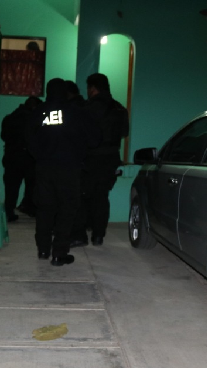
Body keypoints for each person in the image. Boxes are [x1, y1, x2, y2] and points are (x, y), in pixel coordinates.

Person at [28, 78, 101, 266]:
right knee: (67, 210)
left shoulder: (38, 112)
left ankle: (43, 249)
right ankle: (59, 253)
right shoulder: (76, 112)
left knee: (45, 209)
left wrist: (41, 157)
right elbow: (94, 140)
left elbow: (28, 140)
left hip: (44, 169)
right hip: (69, 169)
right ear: (65, 92)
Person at [70, 73, 129, 247]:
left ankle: (80, 235)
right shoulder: (119, 108)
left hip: (90, 158)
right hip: (111, 158)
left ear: (93, 88)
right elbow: (124, 132)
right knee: (102, 197)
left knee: (82, 196)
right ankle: (98, 235)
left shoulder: (88, 108)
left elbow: (78, 133)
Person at [0, 96, 42, 222]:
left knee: (11, 188)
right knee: (32, 186)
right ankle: (29, 208)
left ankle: (9, 211)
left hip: (11, 157)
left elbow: (3, 136)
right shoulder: (34, 119)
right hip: (29, 158)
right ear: (34, 107)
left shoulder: (9, 118)